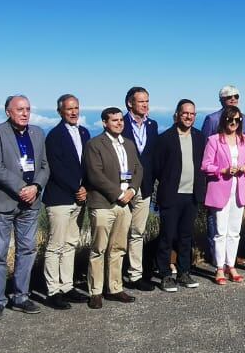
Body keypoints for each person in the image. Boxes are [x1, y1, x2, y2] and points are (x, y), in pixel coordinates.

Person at [0, 94, 48, 318]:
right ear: (8, 111)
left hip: (31, 203)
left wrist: (36, 187)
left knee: (27, 250)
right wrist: (23, 188)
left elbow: (44, 165)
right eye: (19, 109)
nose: (24, 113)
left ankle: (21, 297)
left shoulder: (38, 133)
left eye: (27, 109)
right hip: (3, 202)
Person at [84, 107, 143, 306]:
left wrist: (132, 191)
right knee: (99, 248)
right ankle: (95, 291)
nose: (119, 123)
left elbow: (137, 169)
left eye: (120, 120)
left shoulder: (128, 144)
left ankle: (115, 288)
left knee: (118, 248)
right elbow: (95, 175)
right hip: (103, 203)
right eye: (114, 120)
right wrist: (118, 194)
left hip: (125, 203)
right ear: (104, 122)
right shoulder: (94, 145)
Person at [148, 100, 207, 291]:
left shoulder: (199, 137)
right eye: (185, 113)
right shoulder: (165, 138)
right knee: (167, 236)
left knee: (186, 236)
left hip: (192, 195)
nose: (189, 117)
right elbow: (156, 167)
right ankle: (165, 274)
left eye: (192, 114)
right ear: (177, 115)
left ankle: (184, 272)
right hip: (172, 195)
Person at [42, 94, 91, 309]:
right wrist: (77, 188)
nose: (73, 112)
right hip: (60, 198)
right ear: (60, 111)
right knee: (56, 245)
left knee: (71, 243)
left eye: (76, 108)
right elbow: (57, 168)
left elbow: (89, 163)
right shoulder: (54, 136)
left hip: (79, 198)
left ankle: (67, 286)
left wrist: (86, 187)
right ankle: (53, 291)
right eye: (69, 108)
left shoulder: (84, 132)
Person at [202, 108, 245, 283]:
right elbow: (205, 165)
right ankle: (219, 268)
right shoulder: (214, 140)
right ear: (224, 120)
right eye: (230, 120)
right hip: (220, 190)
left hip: (239, 189)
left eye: (237, 120)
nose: (234, 123)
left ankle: (231, 265)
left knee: (235, 231)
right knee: (220, 231)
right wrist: (222, 170)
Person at [124, 87, 160, 290]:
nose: (145, 105)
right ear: (130, 103)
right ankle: (113, 276)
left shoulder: (152, 125)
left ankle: (135, 275)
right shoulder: (120, 123)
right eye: (141, 102)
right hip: (123, 187)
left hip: (145, 186)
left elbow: (153, 155)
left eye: (147, 101)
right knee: (119, 233)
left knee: (138, 232)